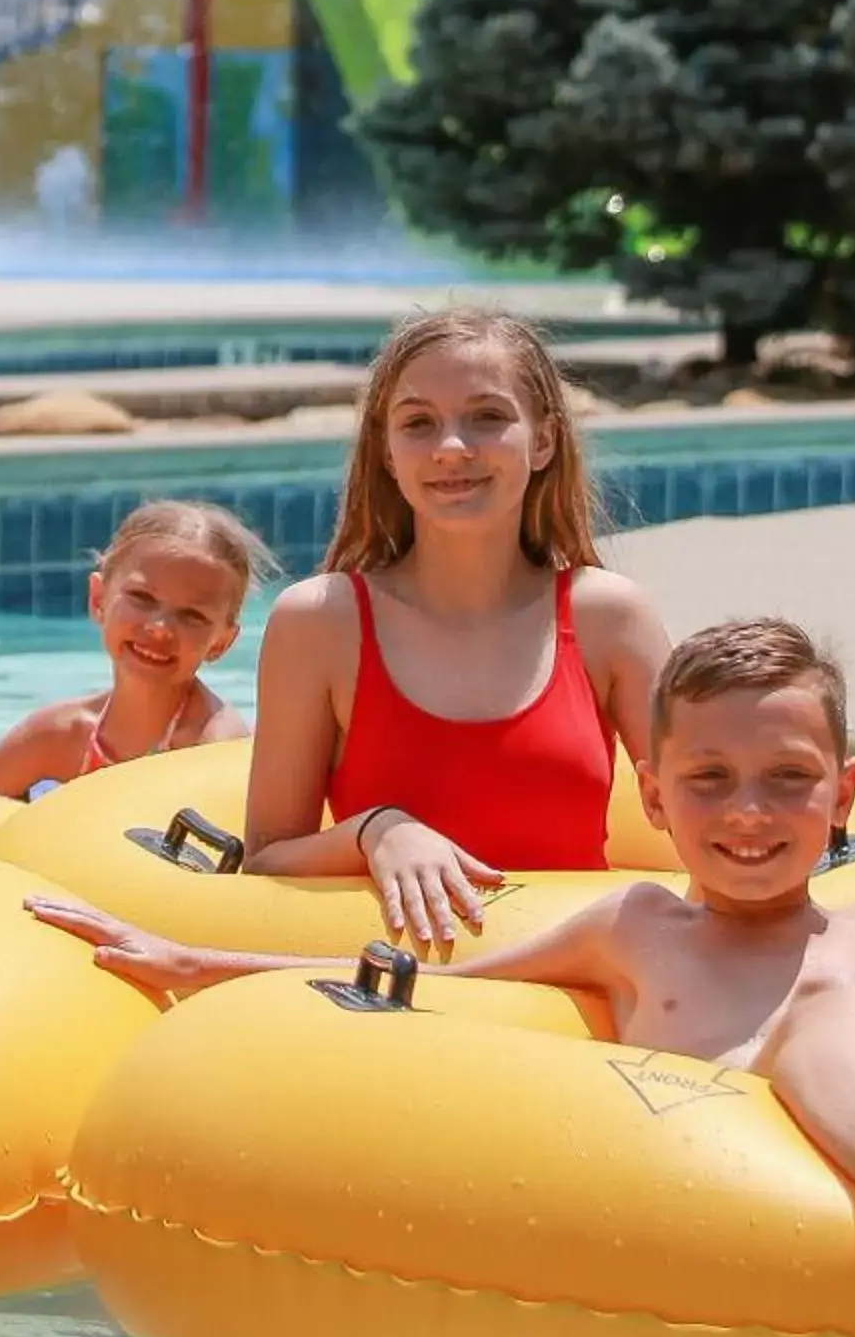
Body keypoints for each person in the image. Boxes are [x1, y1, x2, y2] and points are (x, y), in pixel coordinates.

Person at [39, 620, 855, 1291]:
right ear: (654, 800)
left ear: (843, 796)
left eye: (789, 781)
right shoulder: (636, 928)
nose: (748, 814)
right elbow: (424, 988)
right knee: (827, 1000)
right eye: (708, 783)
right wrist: (193, 959)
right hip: (720, 1154)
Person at [242, 307, 669, 944]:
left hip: (575, 993)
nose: (451, 449)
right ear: (387, 453)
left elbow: (706, 806)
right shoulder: (321, 622)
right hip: (393, 999)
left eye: (488, 417)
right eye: (418, 423)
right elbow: (266, 859)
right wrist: (378, 829)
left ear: (545, 440)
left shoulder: (609, 619)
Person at [0, 501, 272, 798]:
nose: (160, 628)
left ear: (221, 642)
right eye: (142, 598)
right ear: (99, 599)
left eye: (192, 616)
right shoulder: (60, 734)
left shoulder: (213, 748)